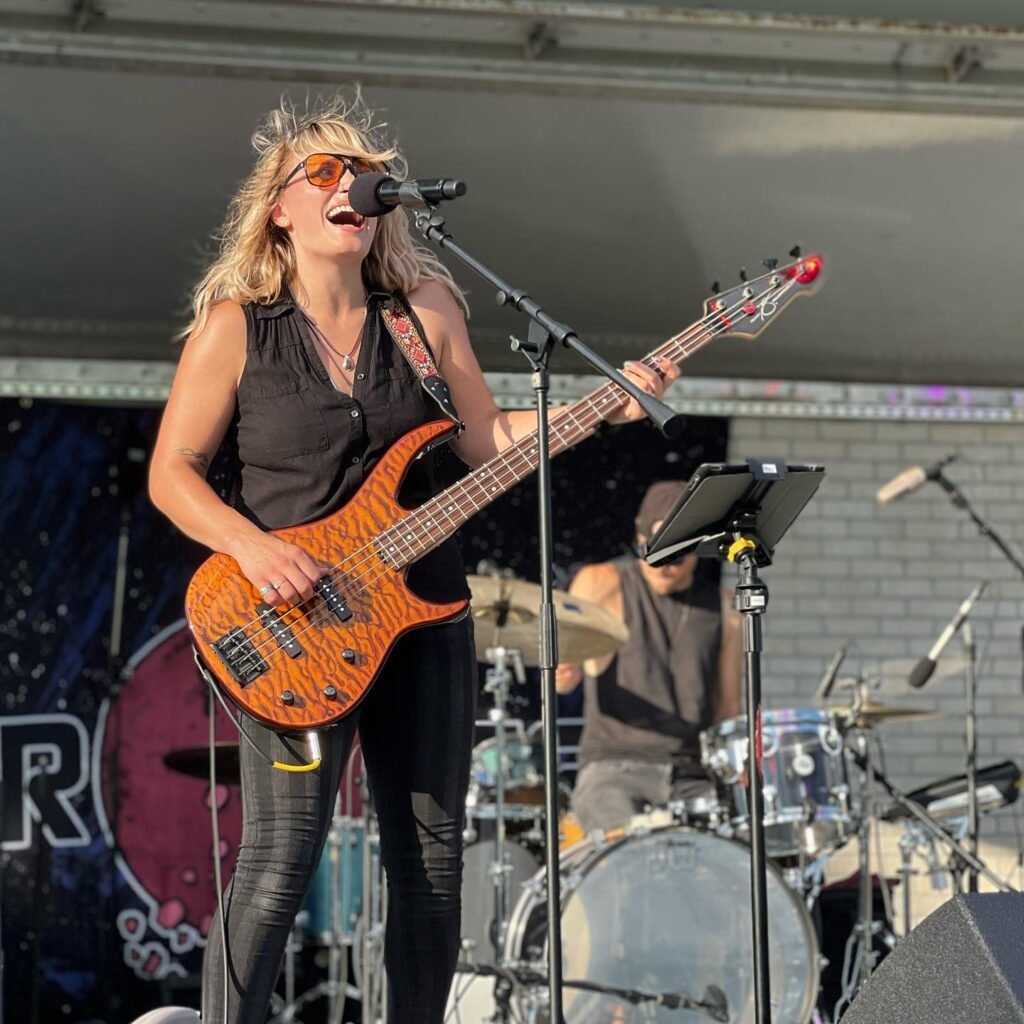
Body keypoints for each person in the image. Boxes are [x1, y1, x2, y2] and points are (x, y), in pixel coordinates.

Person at [148, 95, 675, 1023]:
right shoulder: (237, 326)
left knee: (430, 868)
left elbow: (485, 437)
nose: (351, 185)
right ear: (279, 208)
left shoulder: (422, 312)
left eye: (364, 173)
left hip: (425, 613)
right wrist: (254, 549)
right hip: (290, 624)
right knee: (278, 860)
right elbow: (172, 473)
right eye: (324, 172)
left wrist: (604, 408)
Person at [555, 479, 743, 833]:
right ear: (639, 538)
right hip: (614, 768)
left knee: (729, 852)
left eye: (678, 553)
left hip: (692, 775)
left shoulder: (726, 608)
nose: (665, 564)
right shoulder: (603, 582)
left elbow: (728, 708)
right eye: (655, 550)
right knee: (627, 856)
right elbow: (564, 658)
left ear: (698, 547)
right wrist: (565, 672)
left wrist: (741, 764)